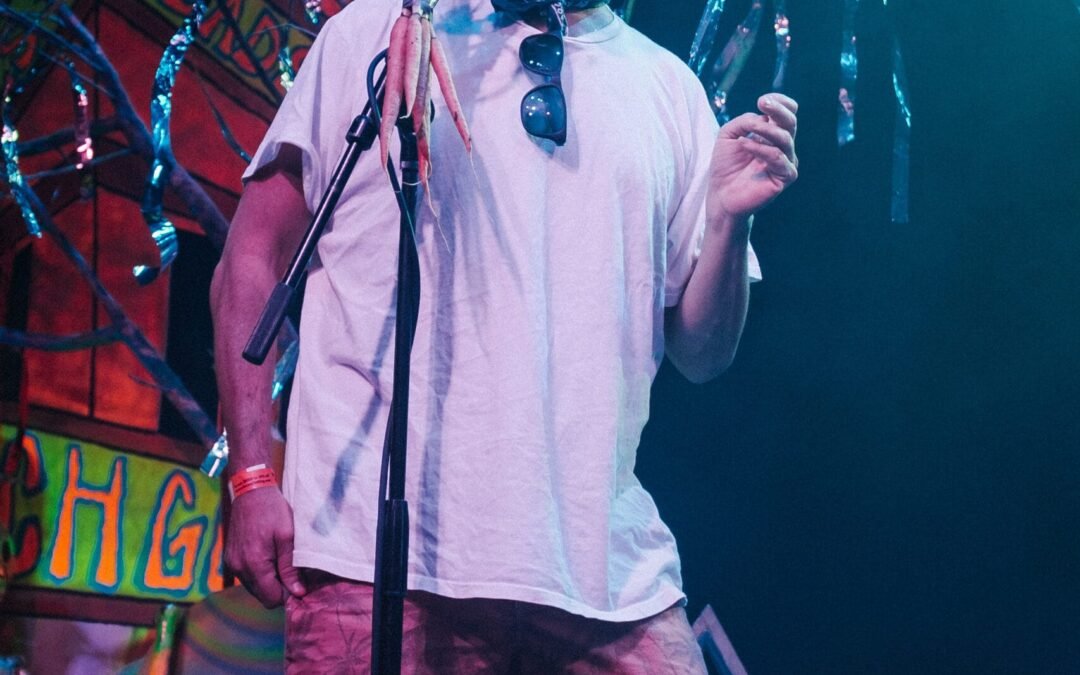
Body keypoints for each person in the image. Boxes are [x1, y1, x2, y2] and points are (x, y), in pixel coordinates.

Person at [210, 0, 798, 671]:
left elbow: (704, 353)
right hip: (376, 559)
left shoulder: (667, 88)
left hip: (606, 575)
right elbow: (251, 259)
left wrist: (728, 221)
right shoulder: (378, 31)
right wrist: (251, 474)